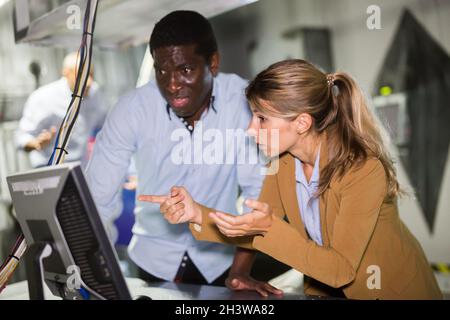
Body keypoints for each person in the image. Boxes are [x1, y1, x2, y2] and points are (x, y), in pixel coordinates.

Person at [140, 59, 443, 299]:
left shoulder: (362, 170)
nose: (250, 129)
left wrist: (269, 228)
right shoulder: (283, 164)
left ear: (301, 123)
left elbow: (340, 270)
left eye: (261, 119)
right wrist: (197, 214)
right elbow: (254, 229)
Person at [85, 11, 275, 290]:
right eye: (162, 71)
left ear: (213, 62)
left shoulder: (243, 102)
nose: (172, 85)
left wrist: (239, 271)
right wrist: (98, 277)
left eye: (185, 70)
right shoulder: (132, 110)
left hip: (221, 260)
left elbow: (258, 194)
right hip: (153, 261)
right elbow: (97, 200)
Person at [16, 52, 108, 168]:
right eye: (82, 75)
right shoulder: (43, 97)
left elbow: (104, 126)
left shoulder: (95, 93)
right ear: (66, 73)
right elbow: (22, 137)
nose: (88, 82)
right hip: (49, 166)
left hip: (82, 165)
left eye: (91, 74)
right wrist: (36, 143)